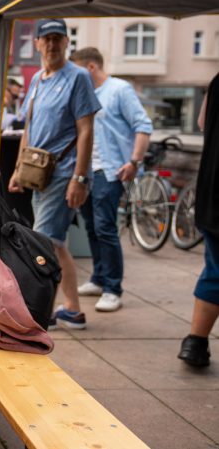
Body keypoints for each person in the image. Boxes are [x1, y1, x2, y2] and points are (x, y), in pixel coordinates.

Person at [8, 18, 101, 330]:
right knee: (56, 243)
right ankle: (72, 309)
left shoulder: (78, 77)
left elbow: (86, 131)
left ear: (67, 42)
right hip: (38, 172)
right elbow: (29, 128)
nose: (51, 44)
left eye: (57, 38)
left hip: (62, 172)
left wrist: (80, 178)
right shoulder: (37, 79)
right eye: (46, 38)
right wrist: (19, 169)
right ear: (36, 43)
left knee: (42, 243)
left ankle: (39, 310)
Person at [70, 47, 152, 312]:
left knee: (105, 227)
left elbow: (143, 125)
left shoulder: (119, 89)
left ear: (91, 67)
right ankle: (99, 277)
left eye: (78, 70)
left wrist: (134, 161)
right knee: (92, 227)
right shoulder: (85, 93)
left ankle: (112, 288)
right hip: (86, 170)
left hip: (110, 169)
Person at [178, 71, 219, 367]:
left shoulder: (218, 81)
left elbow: (203, 123)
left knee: (215, 269)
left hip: (213, 191)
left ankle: (196, 342)